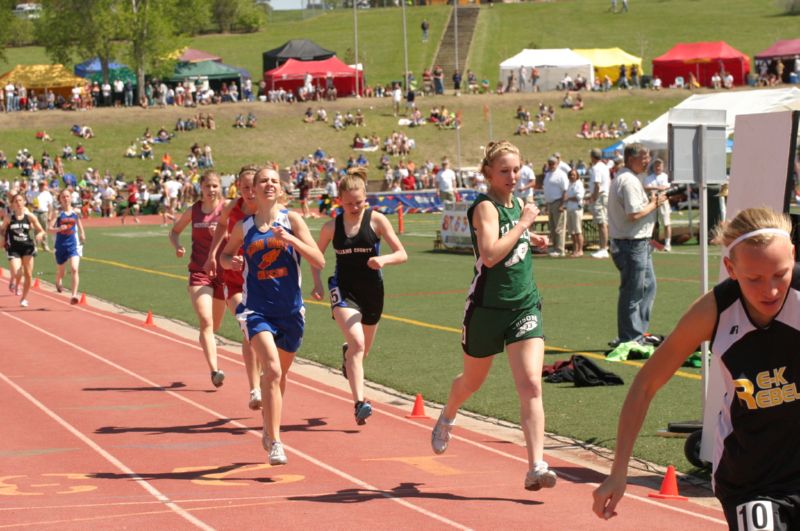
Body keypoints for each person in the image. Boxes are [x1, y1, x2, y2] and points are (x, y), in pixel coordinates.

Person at [594, 207, 800, 529]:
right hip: (750, 480)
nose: (771, 290)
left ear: (793, 256)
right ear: (731, 268)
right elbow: (645, 383)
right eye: (754, 278)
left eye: (781, 274)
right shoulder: (714, 311)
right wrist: (618, 471)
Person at [430, 140, 554, 491]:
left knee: (530, 384)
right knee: (472, 382)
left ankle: (536, 466)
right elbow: (489, 255)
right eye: (505, 171)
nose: (513, 177)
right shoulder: (485, 208)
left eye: (516, 170)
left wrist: (533, 236)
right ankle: (448, 414)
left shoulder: (516, 205)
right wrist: (524, 224)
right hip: (486, 309)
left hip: (524, 306)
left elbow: (514, 241)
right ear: (488, 173)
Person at [220, 167, 325, 466]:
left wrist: (291, 240)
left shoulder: (291, 220)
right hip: (257, 310)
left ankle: (268, 426)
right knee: (273, 371)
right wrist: (232, 261)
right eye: (263, 180)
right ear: (253, 189)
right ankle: (276, 441)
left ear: (280, 189)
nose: (268, 184)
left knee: (279, 377)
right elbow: (225, 256)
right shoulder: (245, 226)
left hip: (290, 311)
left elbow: (319, 259)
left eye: (274, 181)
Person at [311, 167, 408, 425]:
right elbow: (316, 257)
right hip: (343, 289)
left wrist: (383, 259)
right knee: (357, 344)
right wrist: (317, 283)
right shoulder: (331, 227)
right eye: (350, 203)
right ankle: (359, 403)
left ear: (366, 198)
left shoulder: (377, 221)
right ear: (340, 200)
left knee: (361, 351)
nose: (355, 207)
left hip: (372, 292)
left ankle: (347, 358)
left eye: (360, 202)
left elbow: (402, 253)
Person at [204, 166, 262, 411]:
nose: (249, 192)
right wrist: (213, 254)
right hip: (234, 279)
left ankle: (262, 380)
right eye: (245, 187)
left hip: (261, 281)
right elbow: (221, 226)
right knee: (248, 328)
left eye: (253, 187)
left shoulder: (266, 209)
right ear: (238, 187)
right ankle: (255, 388)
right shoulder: (233, 207)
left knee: (259, 335)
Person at [168, 171, 227, 389]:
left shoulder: (227, 209)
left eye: (214, 186)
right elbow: (174, 232)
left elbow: (240, 233)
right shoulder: (193, 211)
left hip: (224, 273)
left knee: (214, 326)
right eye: (207, 186)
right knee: (206, 321)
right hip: (199, 273)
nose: (211, 190)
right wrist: (178, 246)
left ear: (220, 187)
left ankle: (206, 339)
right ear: (200, 187)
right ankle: (215, 371)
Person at [607, 143, 666, 346]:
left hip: (634, 243)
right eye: (644, 157)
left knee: (647, 287)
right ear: (632, 158)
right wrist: (655, 203)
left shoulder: (626, 178)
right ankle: (630, 336)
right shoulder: (629, 181)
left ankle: (636, 332)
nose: (647, 160)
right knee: (633, 291)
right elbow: (634, 214)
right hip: (632, 244)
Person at [1, 193, 46, 307]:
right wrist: (2, 240)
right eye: (16, 201)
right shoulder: (9, 218)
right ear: (13, 205)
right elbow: (2, 230)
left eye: (20, 200)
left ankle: (23, 299)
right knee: (17, 273)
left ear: (24, 202)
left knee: (29, 275)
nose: (19, 203)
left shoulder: (30, 217)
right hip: (14, 248)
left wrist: (40, 234)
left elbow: (41, 230)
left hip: (28, 247)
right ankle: (16, 284)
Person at [51, 189, 86, 304]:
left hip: (73, 245)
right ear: (60, 199)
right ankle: (58, 280)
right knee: (62, 272)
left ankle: (74, 295)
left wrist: (82, 233)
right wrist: (58, 229)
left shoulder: (75, 212)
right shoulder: (57, 213)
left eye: (67, 196)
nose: (66, 199)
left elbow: (78, 223)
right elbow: (49, 229)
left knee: (74, 269)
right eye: (63, 197)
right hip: (60, 246)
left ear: (71, 198)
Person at [643, 158, 672, 251]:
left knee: (666, 223)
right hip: (652, 202)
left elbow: (666, 188)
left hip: (663, 201)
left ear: (663, 167)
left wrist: (655, 188)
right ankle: (654, 244)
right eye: (656, 165)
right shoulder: (649, 177)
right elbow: (646, 187)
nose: (658, 167)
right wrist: (657, 188)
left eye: (659, 165)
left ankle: (667, 244)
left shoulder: (666, 177)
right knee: (652, 224)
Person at [542, 156, 568, 257]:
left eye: (553, 163)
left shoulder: (561, 174)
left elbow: (565, 190)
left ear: (557, 163)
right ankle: (555, 246)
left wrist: (562, 204)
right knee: (552, 227)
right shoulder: (548, 174)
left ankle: (560, 249)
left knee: (559, 227)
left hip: (558, 202)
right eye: (550, 163)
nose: (551, 165)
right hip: (550, 203)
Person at [588, 148, 611, 258]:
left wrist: (593, 197)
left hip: (600, 196)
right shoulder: (604, 166)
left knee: (601, 223)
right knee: (603, 222)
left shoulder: (596, 168)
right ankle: (604, 247)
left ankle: (603, 248)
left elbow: (597, 184)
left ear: (592, 157)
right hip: (604, 195)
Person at [565, 168, 584, 257]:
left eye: (574, 175)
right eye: (571, 175)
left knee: (577, 231)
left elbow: (578, 197)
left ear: (577, 176)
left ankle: (580, 250)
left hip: (576, 209)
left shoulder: (579, 184)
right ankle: (575, 249)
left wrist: (568, 198)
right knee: (572, 231)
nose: (572, 176)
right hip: (570, 209)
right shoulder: (570, 184)